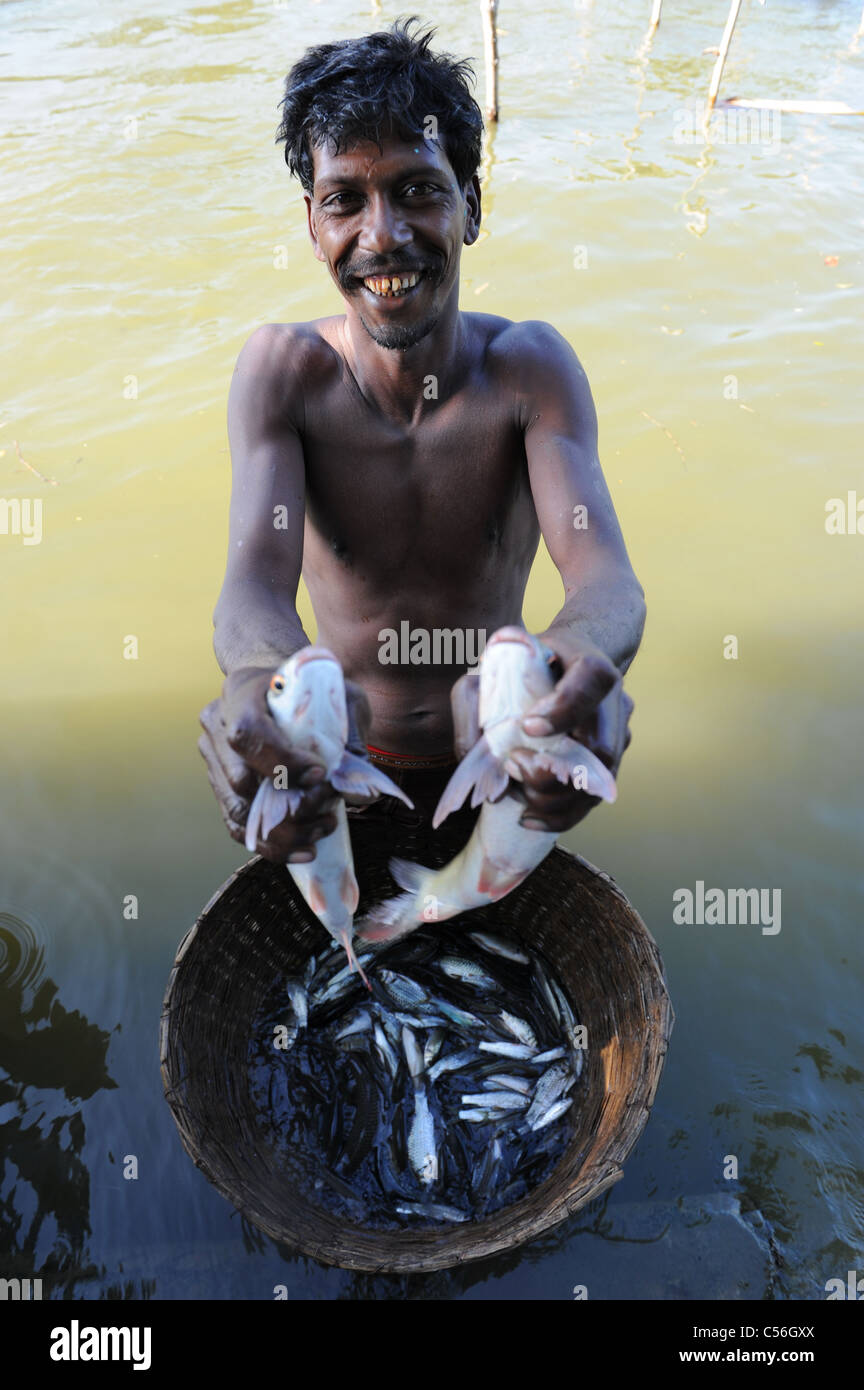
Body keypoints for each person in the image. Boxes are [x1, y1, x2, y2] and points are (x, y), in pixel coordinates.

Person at [198, 16, 645, 866]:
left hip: (508, 754)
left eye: (417, 190)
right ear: (312, 224)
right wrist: (261, 682)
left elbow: (606, 579)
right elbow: (252, 587)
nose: (383, 237)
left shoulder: (529, 372)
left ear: (471, 205)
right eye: (345, 200)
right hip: (335, 763)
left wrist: (576, 659)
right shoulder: (282, 375)